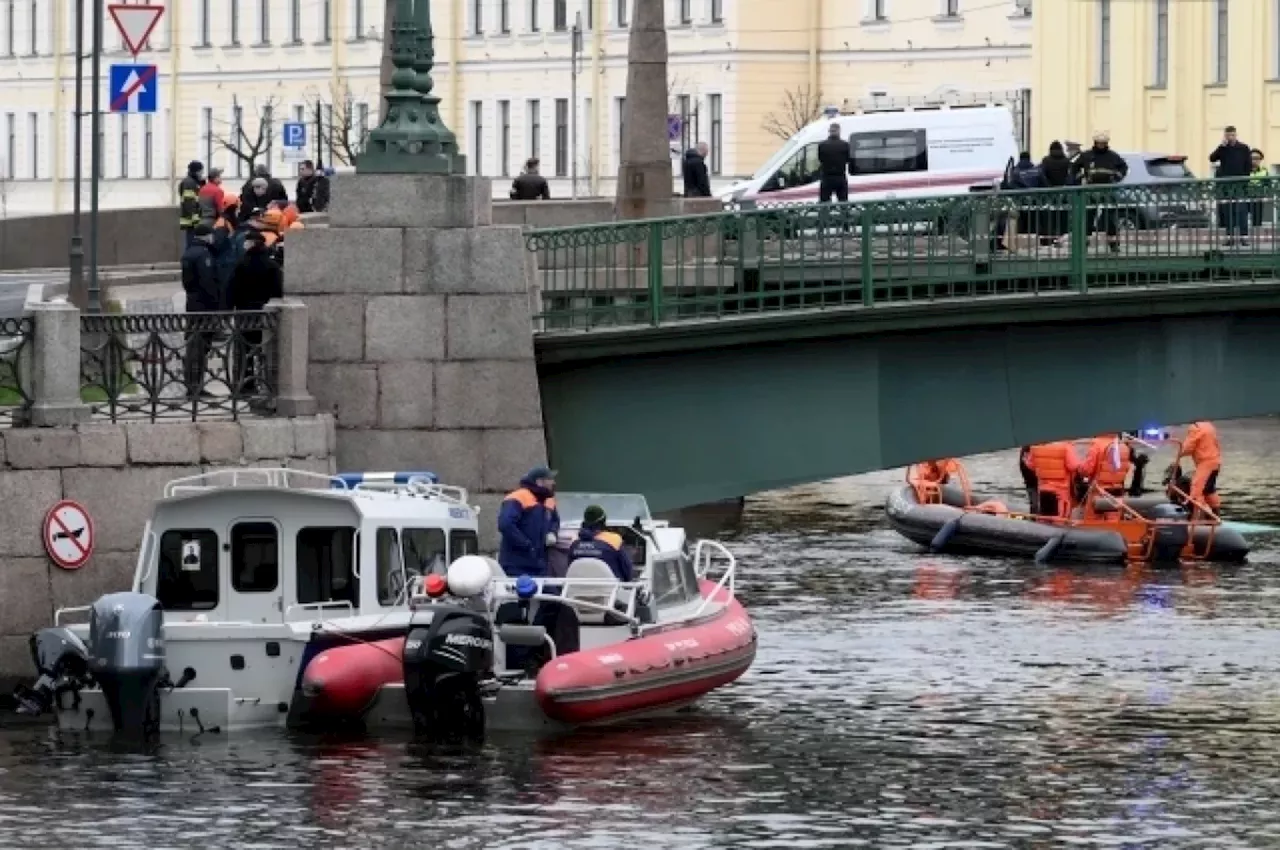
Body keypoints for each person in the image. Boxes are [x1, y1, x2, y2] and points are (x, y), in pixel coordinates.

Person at [227, 229, 285, 397]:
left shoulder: (241, 264)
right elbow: (277, 291)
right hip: (265, 314)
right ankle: (266, 383)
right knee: (265, 349)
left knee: (244, 350)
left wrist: (228, 310)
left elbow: (231, 289)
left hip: (244, 314)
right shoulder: (271, 265)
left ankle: (245, 383)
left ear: (251, 244)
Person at [180, 223, 220, 399]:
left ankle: (192, 383)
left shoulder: (188, 252)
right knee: (200, 345)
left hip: (192, 302)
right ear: (206, 236)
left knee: (193, 343)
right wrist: (216, 303)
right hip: (204, 305)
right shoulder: (203, 254)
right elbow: (208, 282)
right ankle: (196, 385)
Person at [497, 466, 561, 577]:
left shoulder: (548, 500)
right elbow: (505, 524)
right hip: (517, 565)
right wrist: (527, 545)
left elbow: (555, 521)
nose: (553, 482)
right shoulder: (518, 497)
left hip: (540, 564)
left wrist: (552, 532)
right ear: (540, 482)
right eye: (550, 479)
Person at [1070, 132, 1128, 254]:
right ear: (1095, 143)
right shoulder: (1087, 156)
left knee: (1109, 219)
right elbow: (1074, 168)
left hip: (1108, 190)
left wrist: (1117, 177)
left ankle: (1114, 245)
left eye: (1104, 143)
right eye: (1099, 143)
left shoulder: (1113, 156)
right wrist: (1079, 177)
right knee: (1088, 218)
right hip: (1090, 190)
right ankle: (1083, 245)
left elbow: (1123, 167)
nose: (1101, 145)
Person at [1209, 126, 1253, 245]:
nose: (1230, 138)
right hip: (1227, 185)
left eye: (1232, 135)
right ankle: (1229, 237)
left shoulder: (1243, 148)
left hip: (1240, 184)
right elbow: (1212, 159)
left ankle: (1244, 237)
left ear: (1236, 135)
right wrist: (1221, 146)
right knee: (1228, 210)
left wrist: (1245, 180)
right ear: (1225, 136)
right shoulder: (1223, 149)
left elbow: (1248, 165)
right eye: (1228, 135)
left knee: (1241, 210)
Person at [567, 505, 634, 582]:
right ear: (603, 521)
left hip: (576, 591)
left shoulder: (574, 545)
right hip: (610, 592)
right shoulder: (615, 540)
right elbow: (627, 571)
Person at [1177, 421, 1222, 515]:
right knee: (1209, 490)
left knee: (1196, 491)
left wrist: (1179, 453)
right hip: (1216, 461)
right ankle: (1216, 513)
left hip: (1205, 463)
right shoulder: (1209, 426)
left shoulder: (1196, 428)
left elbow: (1189, 446)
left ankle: (1199, 519)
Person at [1025, 441, 1080, 518]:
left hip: (1043, 490)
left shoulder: (1037, 446)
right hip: (1060, 492)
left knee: (1045, 518)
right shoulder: (1066, 446)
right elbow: (1073, 466)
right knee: (1060, 519)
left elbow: (1030, 464)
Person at [1039, 140, 1072, 246]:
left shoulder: (1046, 160)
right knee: (1063, 217)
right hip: (1063, 193)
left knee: (1049, 217)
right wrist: (1065, 186)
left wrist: (1048, 186)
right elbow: (1070, 176)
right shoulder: (1067, 161)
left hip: (1049, 193)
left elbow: (1042, 175)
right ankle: (1062, 238)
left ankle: (1048, 240)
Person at [1078, 434, 1133, 498]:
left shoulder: (1097, 445)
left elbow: (1086, 470)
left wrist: (1079, 468)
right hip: (1118, 492)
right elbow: (1127, 467)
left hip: (1098, 492)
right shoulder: (1123, 446)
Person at [817, 122, 851, 204]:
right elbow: (848, 160)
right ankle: (844, 216)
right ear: (839, 131)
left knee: (824, 203)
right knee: (843, 202)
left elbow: (820, 159)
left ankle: (825, 216)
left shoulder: (822, 145)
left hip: (827, 177)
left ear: (829, 131)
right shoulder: (845, 145)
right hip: (840, 176)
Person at [177, 160, 206, 250]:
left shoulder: (192, 181)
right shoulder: (189, 183)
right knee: (192, 244)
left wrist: (202, 183)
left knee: (193, 243)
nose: (202, 173)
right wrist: (196, 220)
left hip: (192, 219)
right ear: (197, 171)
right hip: (192, 221)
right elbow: (189, 202)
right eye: (201, 171)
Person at [1249, 148, 1269, 230]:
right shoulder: (1244, 170)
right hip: (1245, 196)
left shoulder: (1264, 171)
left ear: (1260, 160)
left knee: (1257, 221)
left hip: (1258, 196)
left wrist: (1265, 195)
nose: (1254, 161)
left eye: (1257, 158)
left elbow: (1267, 184)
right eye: (1252, 158)